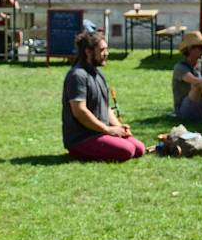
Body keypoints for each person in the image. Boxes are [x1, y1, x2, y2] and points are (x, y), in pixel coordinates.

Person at [62, 31, 145, 161]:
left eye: (106, 49)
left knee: (139, 148)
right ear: (88, 52)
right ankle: (78, 152)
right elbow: (79, 111)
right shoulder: (77, 76)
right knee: (128, 150)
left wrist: (119, 127)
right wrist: (107, 130)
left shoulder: (98, 74)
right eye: (102, 50)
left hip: (100, 133)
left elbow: (105, 107)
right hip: (82, 138)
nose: (106, 53)